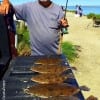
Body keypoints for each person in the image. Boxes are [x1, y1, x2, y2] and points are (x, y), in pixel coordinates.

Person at [0, 0, 68, 56]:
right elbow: (12, 9)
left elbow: (62, 26)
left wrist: (64, 24)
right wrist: (6, 2)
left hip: (55, 55)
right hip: (36, 56)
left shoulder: (58, 9)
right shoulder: (27, 7)